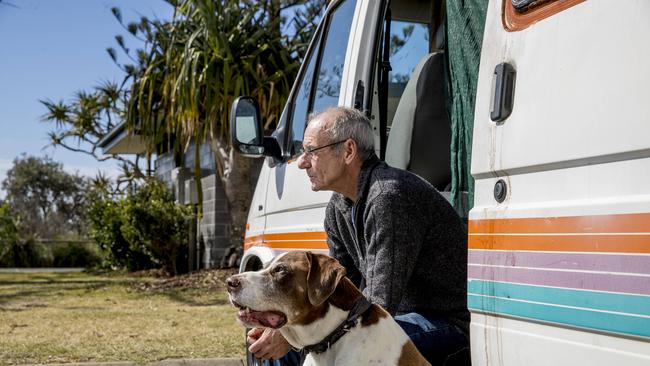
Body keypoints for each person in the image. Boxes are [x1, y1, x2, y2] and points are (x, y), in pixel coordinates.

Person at [247, 106, 470, 365]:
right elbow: (338, 291)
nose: (301, 162)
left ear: (348, 151)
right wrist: (287, 324)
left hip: (443, 323)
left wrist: (294, 336)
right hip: (395, 318)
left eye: (311, 151)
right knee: (289, 343)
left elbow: (380, 305)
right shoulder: (338, 207)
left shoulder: (389, 196)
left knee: (303, 344)